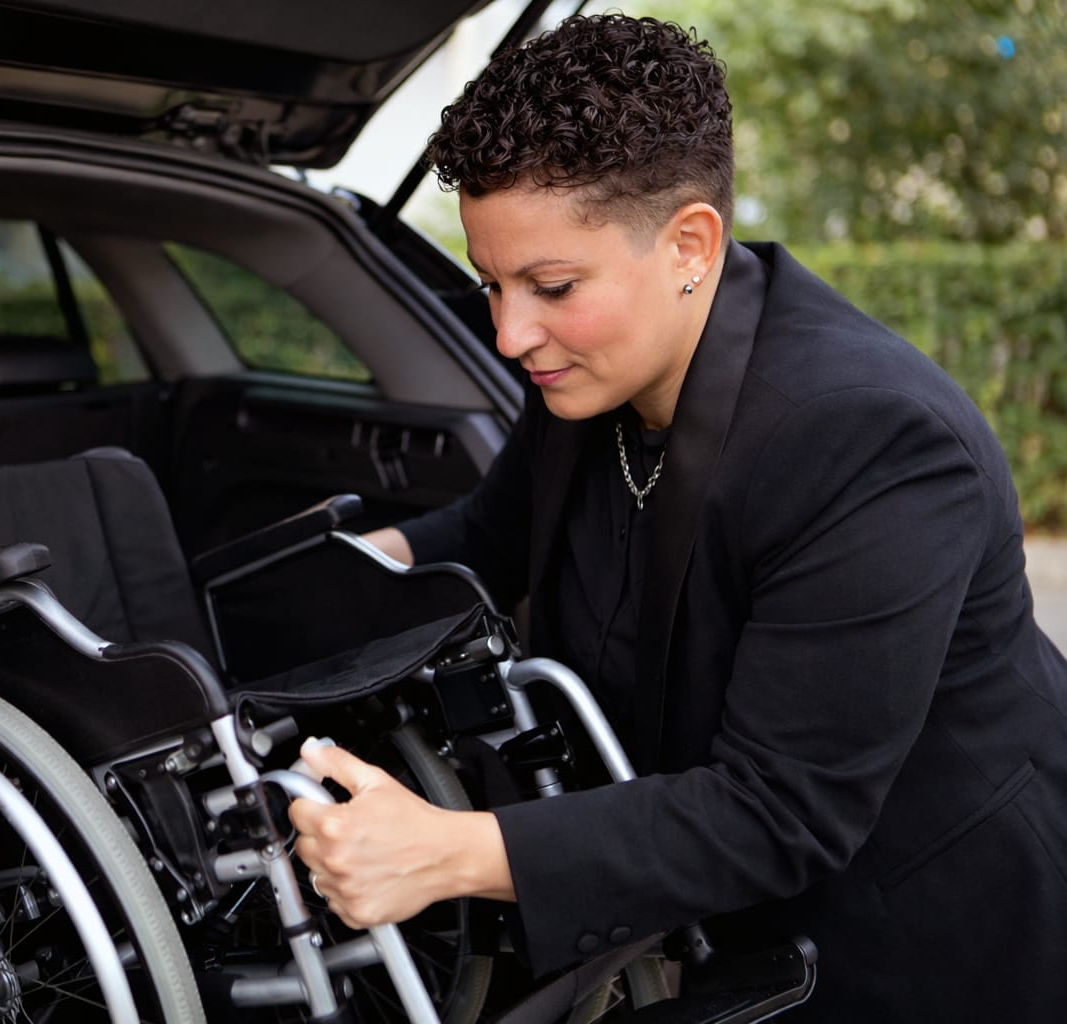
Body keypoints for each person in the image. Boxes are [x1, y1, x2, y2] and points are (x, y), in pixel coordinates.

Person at [287, 13, 1067, 1022]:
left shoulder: (872, 439)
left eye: (551, 286)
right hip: (727, 921)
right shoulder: (588, 365)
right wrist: (317, 574)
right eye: (491, 283)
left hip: (930, 934)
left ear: (690, 242)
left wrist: (452, 852)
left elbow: (782, 808)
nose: (511, 332)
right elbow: (486, 537)